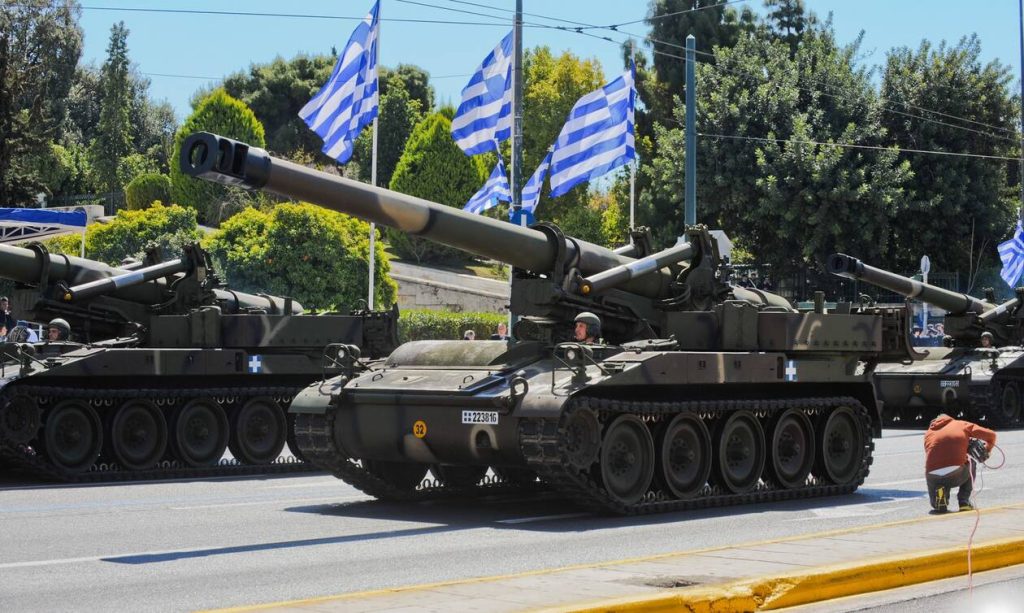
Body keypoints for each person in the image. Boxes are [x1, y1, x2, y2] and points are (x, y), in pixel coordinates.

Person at [924, 414, 997, 512]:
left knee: (937, 504)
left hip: (932, 476)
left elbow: (936, 455)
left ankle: (941, 498)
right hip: (955, 475)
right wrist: (987, 450)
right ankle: (964, 501)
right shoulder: (960, 424)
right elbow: (991, 435)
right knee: (971, 463)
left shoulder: (928, 433)